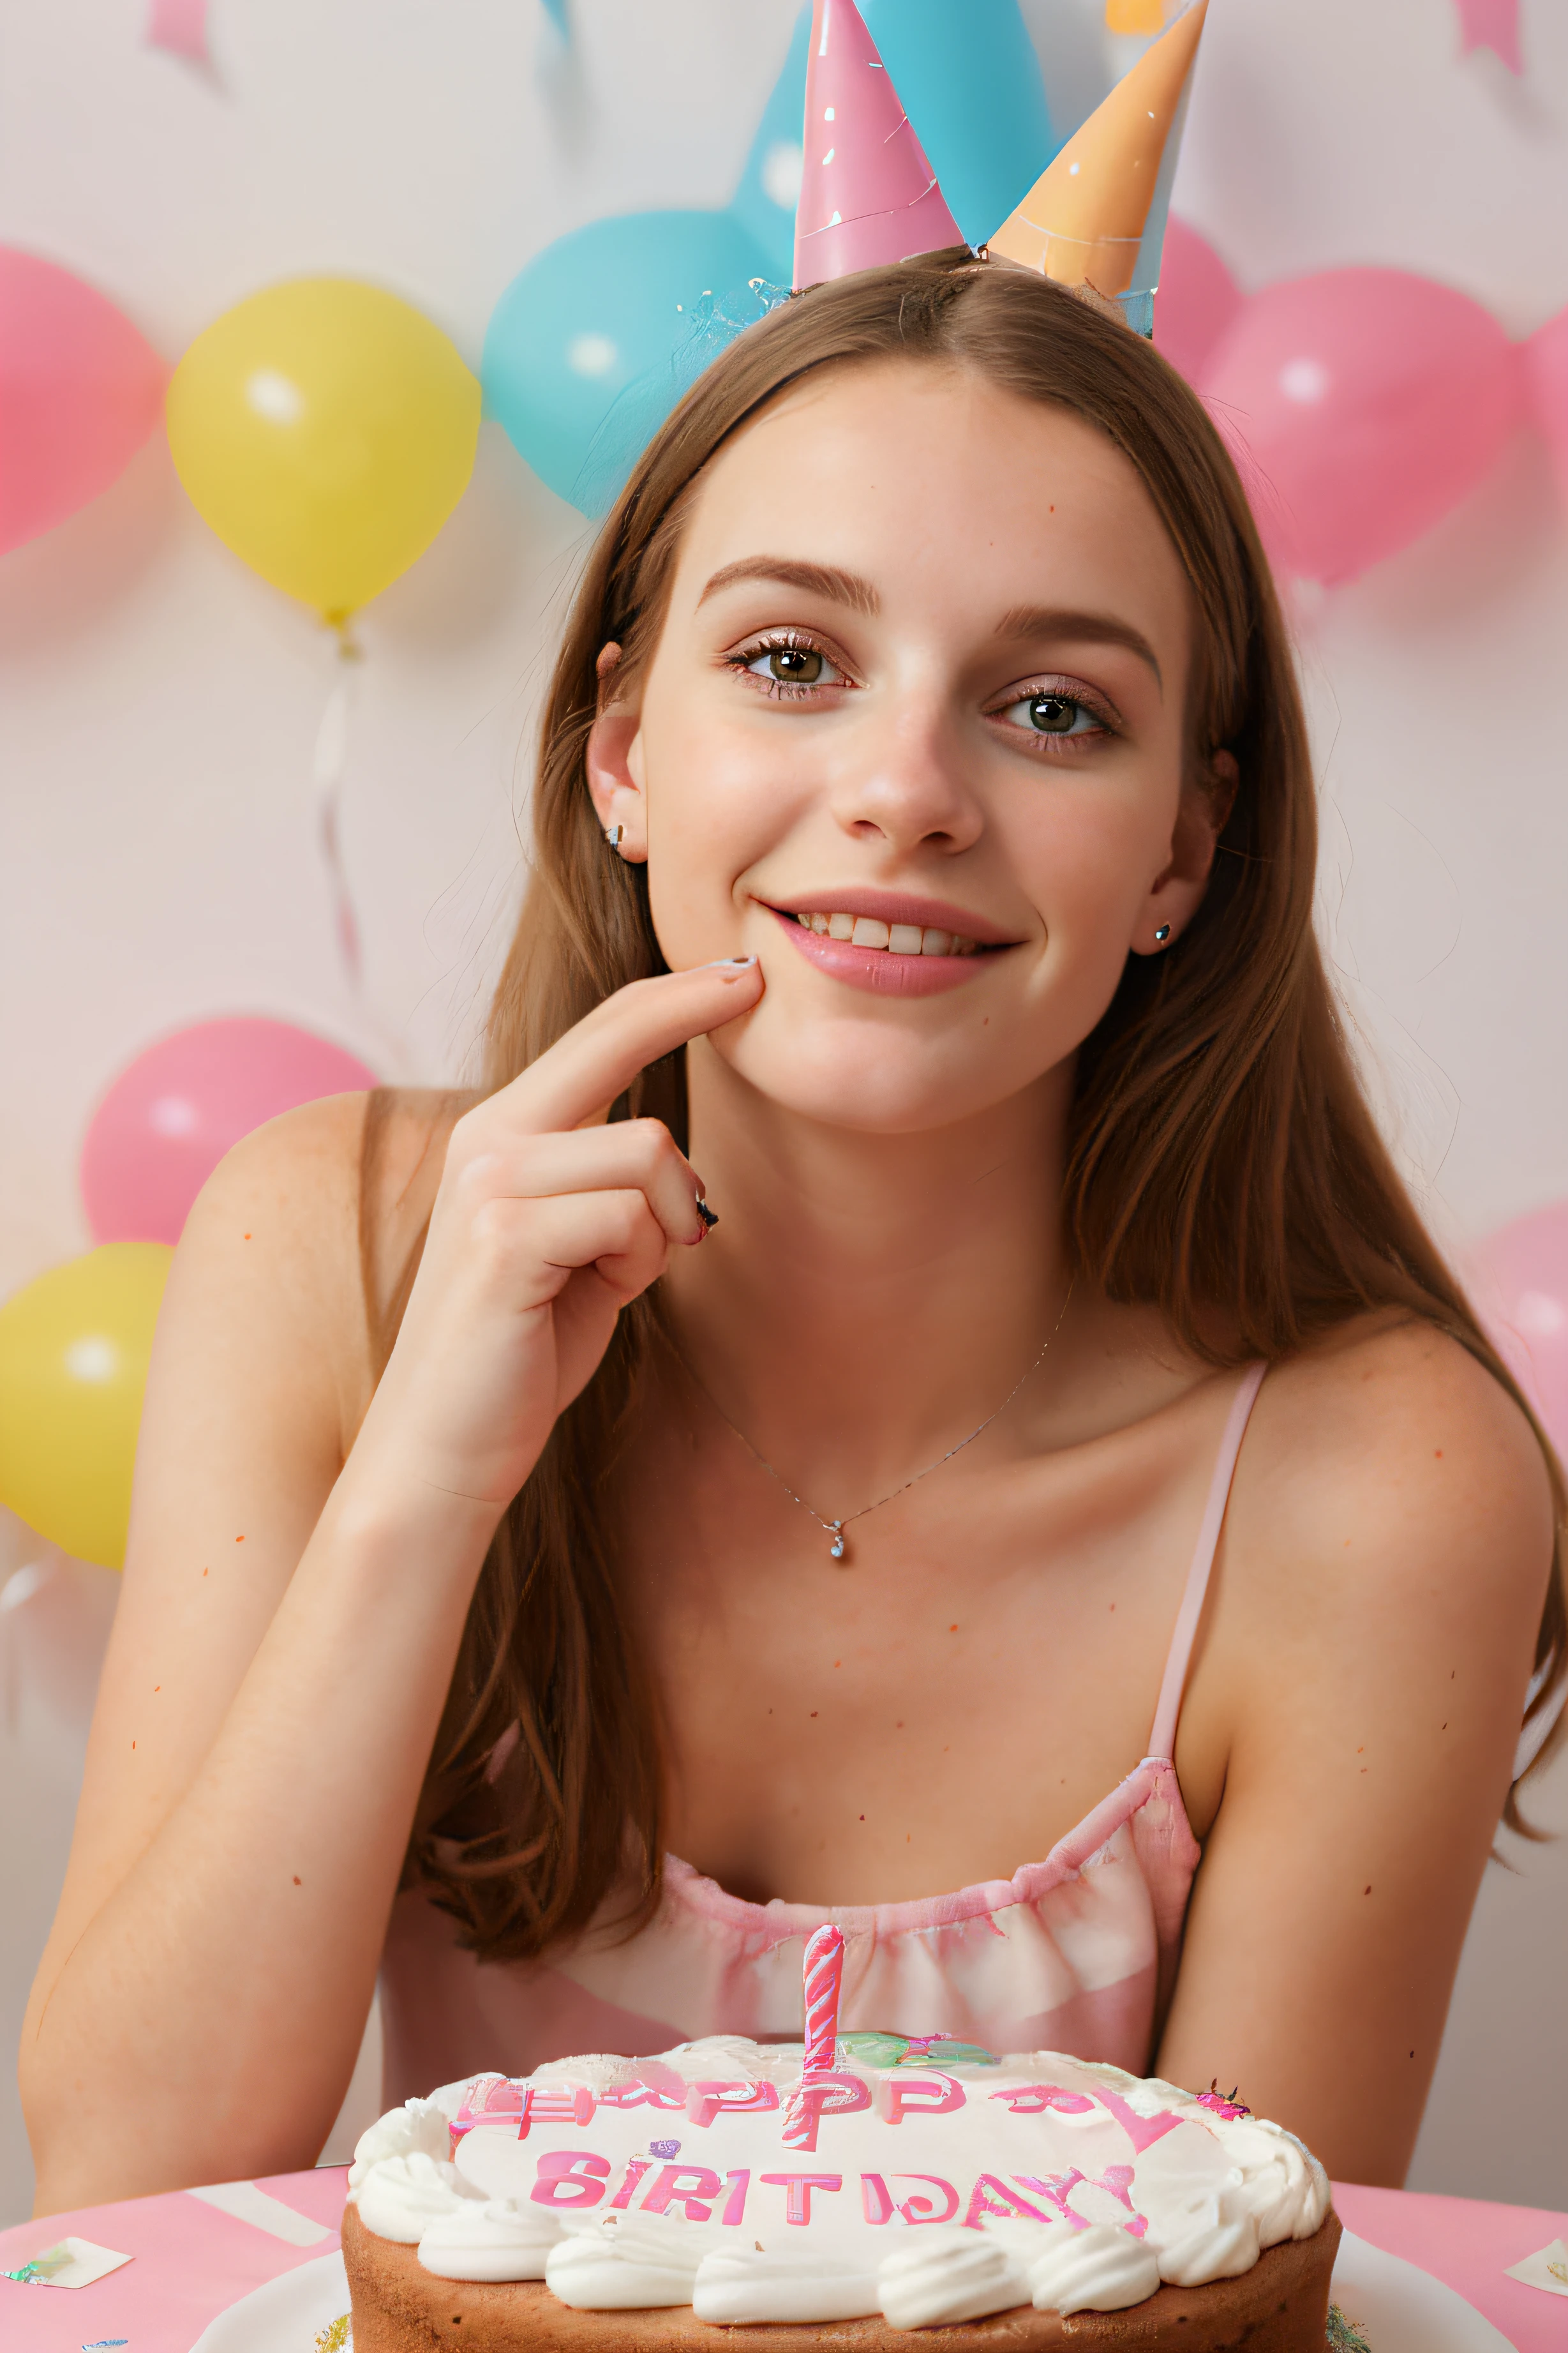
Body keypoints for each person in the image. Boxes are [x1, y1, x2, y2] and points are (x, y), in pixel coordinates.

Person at [22, 255, 1561, 2216]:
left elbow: (1245, 2298)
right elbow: (127, 2184)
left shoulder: (1381, 1484)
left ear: (1184, 845)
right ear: (624, 752)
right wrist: (427, 1478)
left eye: (1053, 707)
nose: (906, 795)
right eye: (791, 663)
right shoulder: (329, 1248)